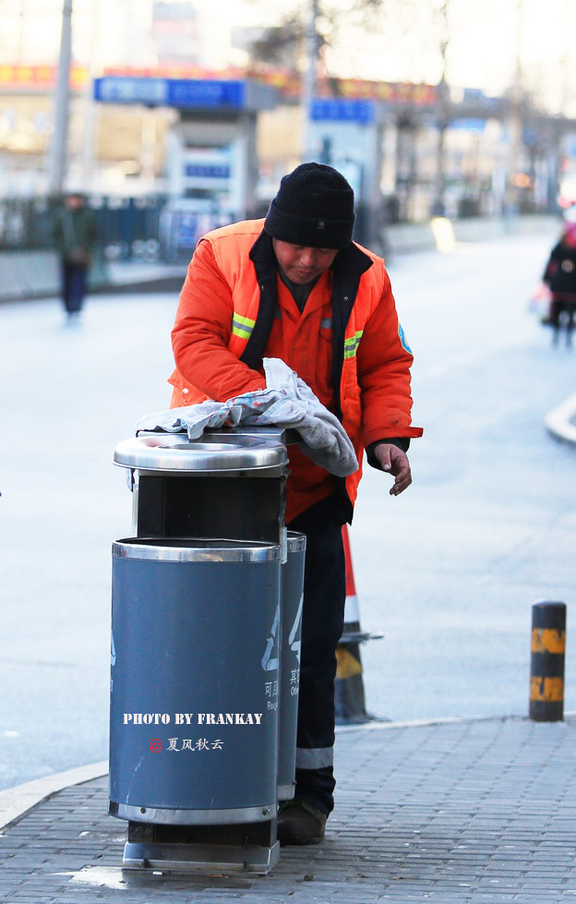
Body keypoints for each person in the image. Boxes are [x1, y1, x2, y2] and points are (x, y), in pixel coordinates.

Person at [168, 162, 422, 845]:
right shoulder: (222, 254)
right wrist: (263, 399)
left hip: (313, 489)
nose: (307, 261)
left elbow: (385, 365)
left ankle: (309, 798)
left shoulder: (367, 277)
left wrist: (388, 437)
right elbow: (193, 341)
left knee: (312, 647)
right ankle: (215, 784)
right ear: (273, 232)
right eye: (295, 247)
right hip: (226, 478)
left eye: (323, 249)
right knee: (222, 645)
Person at [51, 192, 97, 321]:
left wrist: (86, 250)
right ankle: (67, 306)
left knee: (79, 281)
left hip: (82, 256)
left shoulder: (87, 216)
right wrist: (64, 250)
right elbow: (55, 235)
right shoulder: (61, 216)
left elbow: (93, 234)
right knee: (66, 282)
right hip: (66, 256)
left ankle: (76, 305)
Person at [542, 223, 576, 347]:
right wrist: (546, 278)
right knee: (556, 313)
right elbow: (551, 263)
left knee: (571, 313)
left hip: (572, 287)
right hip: (559, 285)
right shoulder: (559, 247)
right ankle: (556, 334)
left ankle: (568, 336)